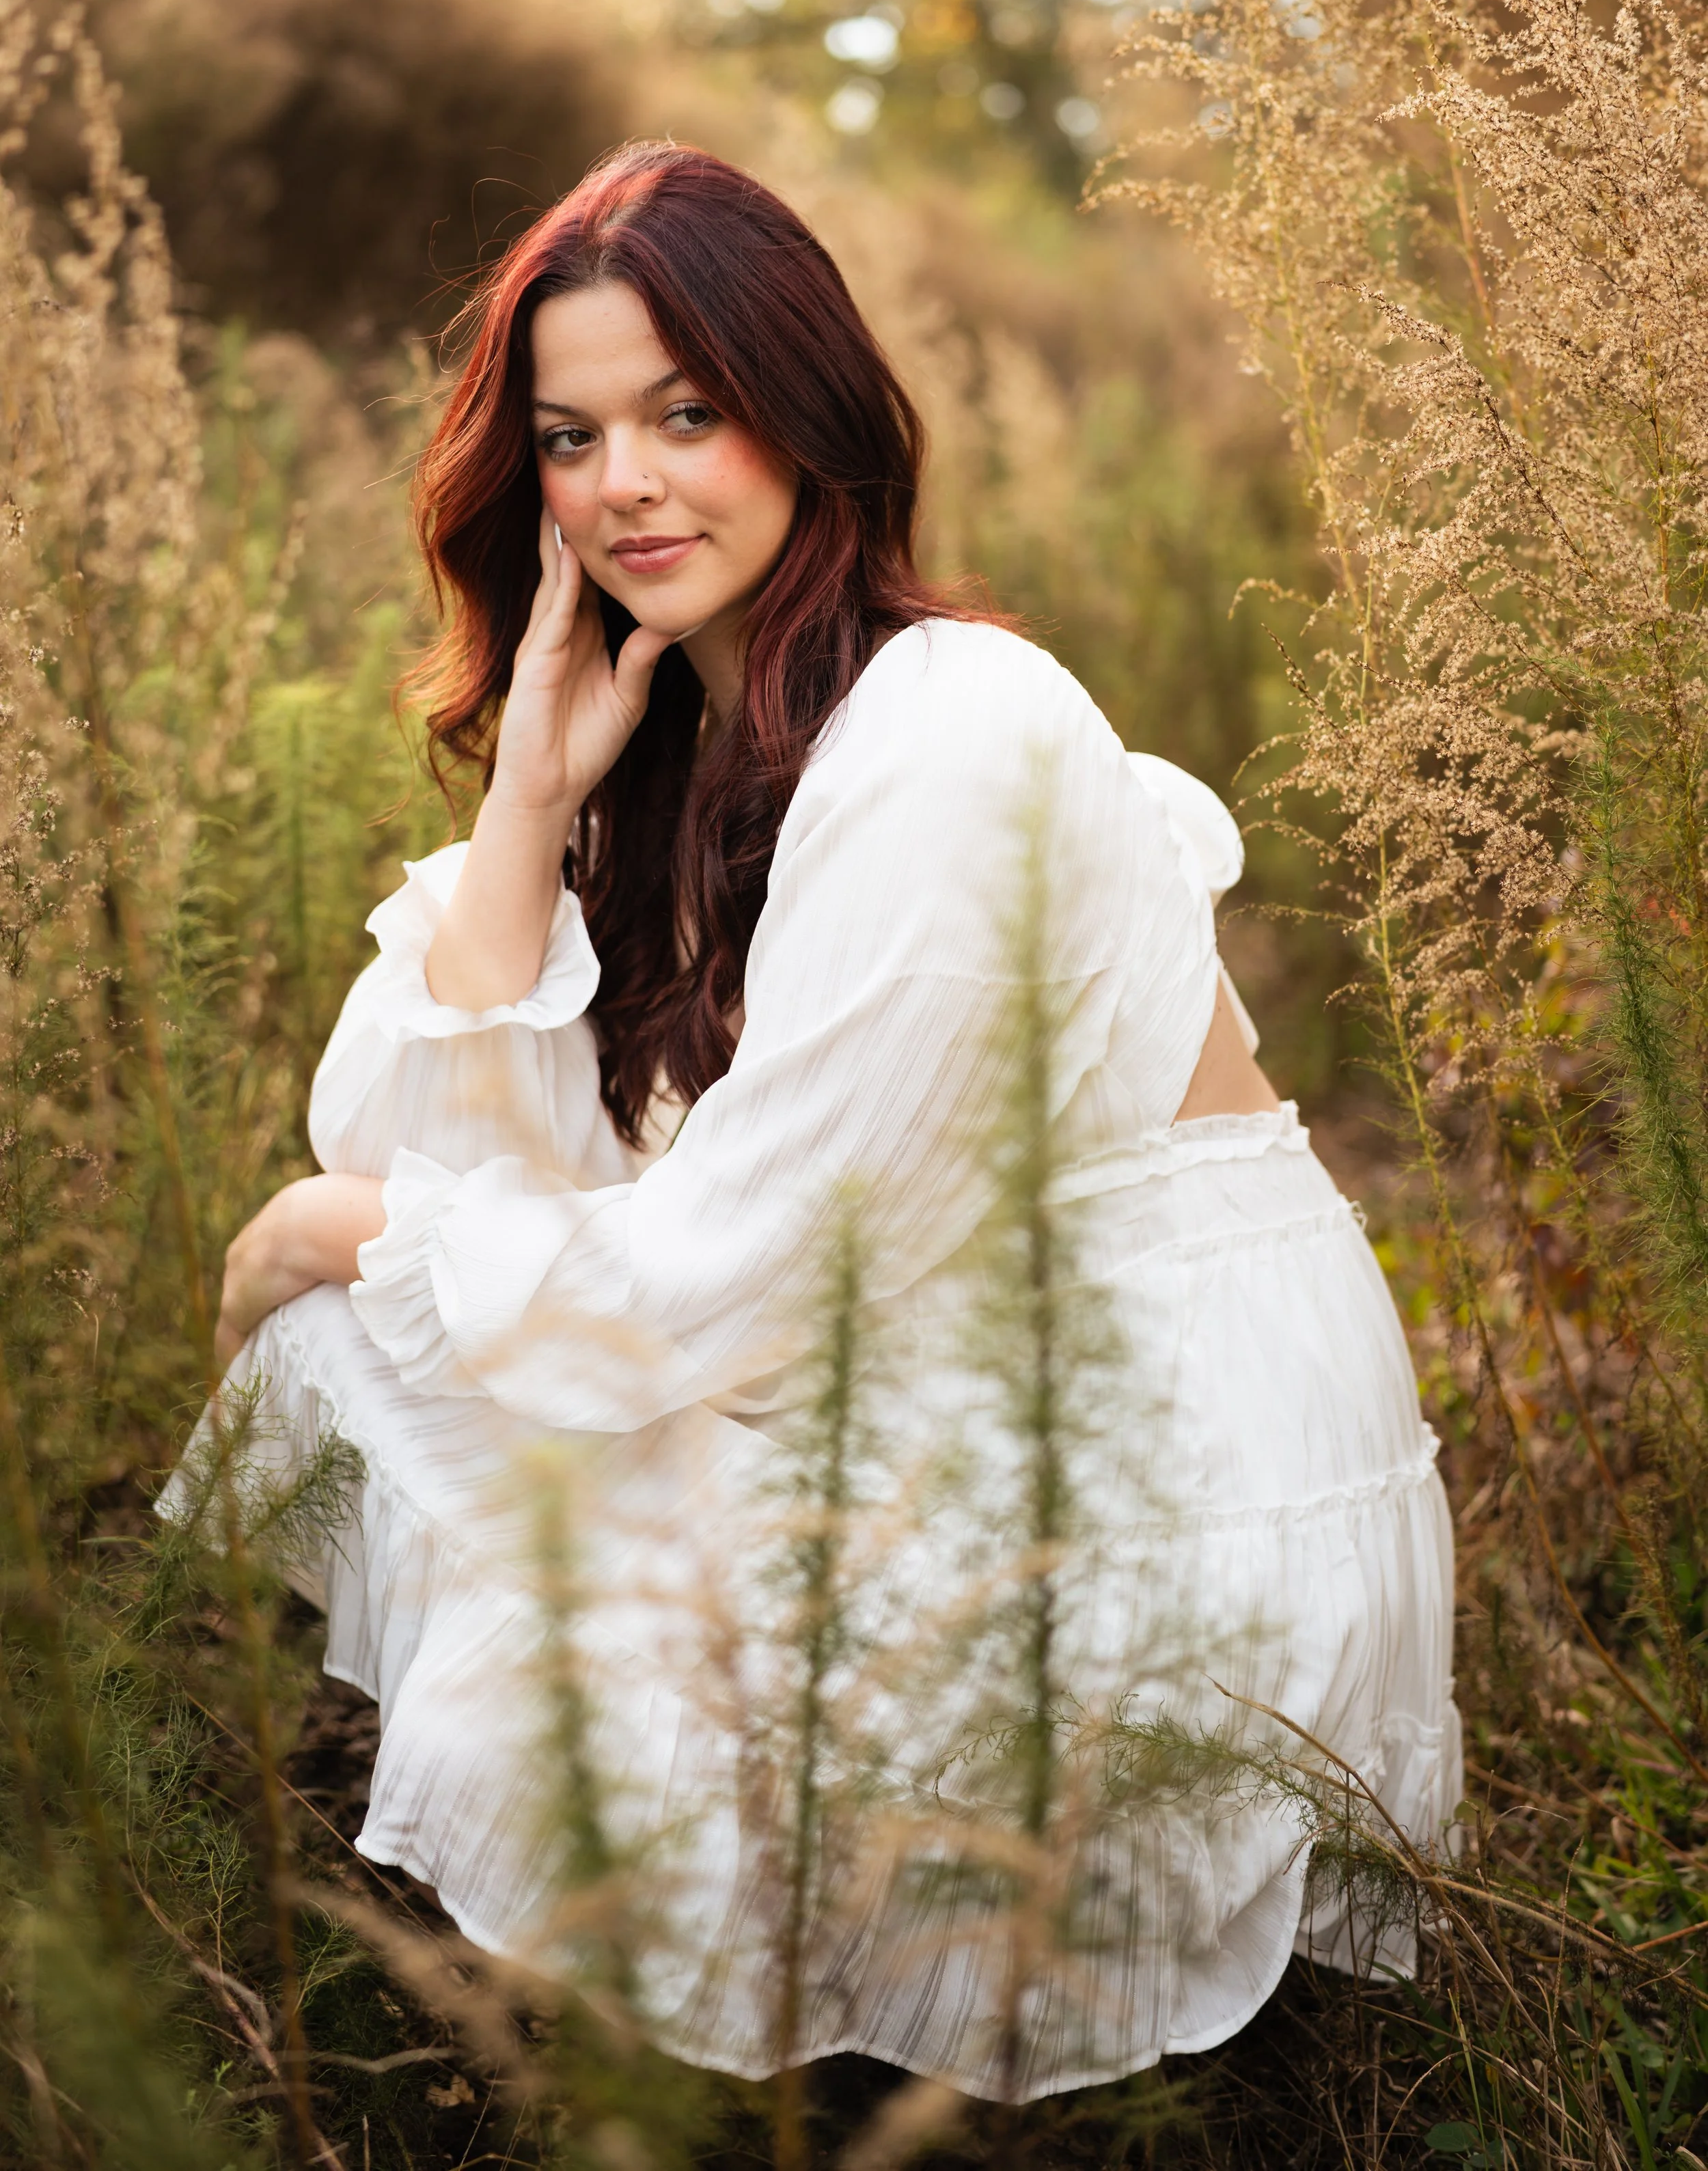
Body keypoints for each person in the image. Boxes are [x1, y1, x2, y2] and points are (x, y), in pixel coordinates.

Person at [166, 141, 1459, 2101]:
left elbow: (720, 1280)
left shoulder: (947, 727)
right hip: (967, 1401)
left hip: (1148, 1497)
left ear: (807, 410)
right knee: (362, 1358)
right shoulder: (716, 747)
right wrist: (527, 803)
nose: (625, 484)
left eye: (688, 412)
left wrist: (318, 1223)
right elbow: (461, 1145)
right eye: (573, 435)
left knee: (359, 1330)